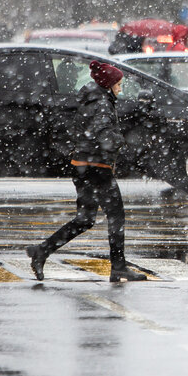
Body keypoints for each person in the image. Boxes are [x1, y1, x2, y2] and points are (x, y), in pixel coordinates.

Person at [26, 61, 145, 283]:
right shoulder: (101, 103)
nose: (120, 89)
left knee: (85, 219)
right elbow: (103, 135)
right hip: (97, 167)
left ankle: (41, 252)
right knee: (116, 216)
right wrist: (122, 142)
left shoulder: (89, 101)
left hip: (82, 165)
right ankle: (118, 267)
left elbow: (80, 131)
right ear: (109, 85)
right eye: (118, 84)